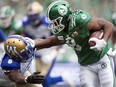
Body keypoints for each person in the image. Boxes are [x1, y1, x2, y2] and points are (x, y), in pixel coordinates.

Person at [32, 0, 115, 87]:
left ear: (63, 17)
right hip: (85, 64)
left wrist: (103, 41)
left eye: (55, 22)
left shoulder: (79, 20)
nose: (54, 25)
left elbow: (107, 25)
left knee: (107, 84)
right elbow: (50, 41)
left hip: (101, 58)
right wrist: (32, 43)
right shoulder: (62, 32)